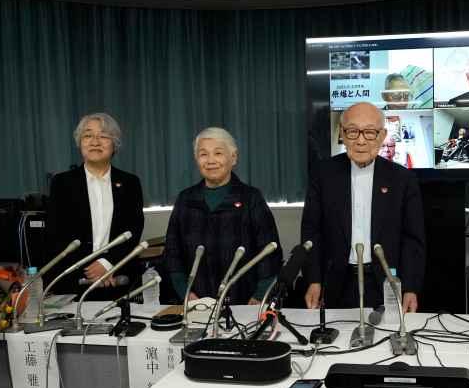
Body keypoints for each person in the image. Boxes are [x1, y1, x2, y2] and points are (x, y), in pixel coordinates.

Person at [301, 102, 425, 311]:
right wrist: (314, 279)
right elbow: (312, 231)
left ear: (382, 135)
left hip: (386, 283)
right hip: (336, 283)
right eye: (352, 132)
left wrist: (411, 287)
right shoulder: (323, 175)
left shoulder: (402, 179)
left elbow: (412, 239)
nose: (360, 141)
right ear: (342, 133)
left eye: (369, 132)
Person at [163, 127, 283, 304]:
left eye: (218, 153)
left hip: (244, 303)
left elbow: (269, 253)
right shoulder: (186, 199)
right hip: (197, 303)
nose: (211, 160)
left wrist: (259, 296)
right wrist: (185, 293)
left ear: (233, 158)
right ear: (196, 159)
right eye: (203, 154)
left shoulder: (251, 198)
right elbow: (173, 254)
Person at [46, 113, 144, 300]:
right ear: (80, 142)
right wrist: (91, 270)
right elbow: (55, 235)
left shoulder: (130, 182)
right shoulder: (62, 183)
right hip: (74, 280)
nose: (95, 141)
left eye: (104, 136)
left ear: (114, 144)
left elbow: (134, 229)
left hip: (118, 277)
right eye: (88, 135)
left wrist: (108, 264)